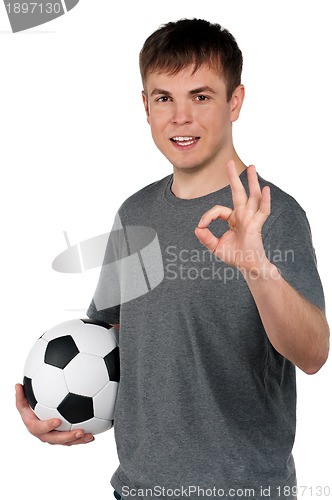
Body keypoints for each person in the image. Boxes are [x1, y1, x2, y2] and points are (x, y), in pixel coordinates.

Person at [16, 18, 329, 500]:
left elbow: (313, 354)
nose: (180, 117)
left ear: (235, 102)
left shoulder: (272, 213)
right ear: (145, 106)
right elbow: (117, 338)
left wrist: (255, 267)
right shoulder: (136, 212)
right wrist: (59, 409)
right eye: (164, 97)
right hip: (137, 491)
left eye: (201, 96)